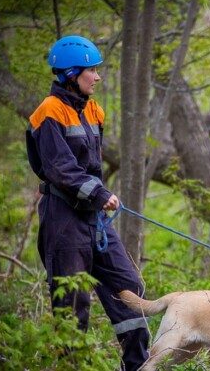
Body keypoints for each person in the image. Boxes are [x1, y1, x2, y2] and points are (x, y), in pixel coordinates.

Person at [26, 35, 149, 370]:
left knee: (130, 286)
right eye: (91, 71)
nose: (97, 77)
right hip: (62, 218)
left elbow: (90, 166)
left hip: (93, 219)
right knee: (72, 301)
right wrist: (99, 194)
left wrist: (98, 196)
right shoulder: (48, 113)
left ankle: (137, 365)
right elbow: (59, 168)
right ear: (70, 73)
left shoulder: (94, 110)